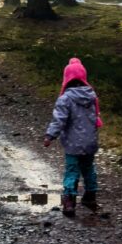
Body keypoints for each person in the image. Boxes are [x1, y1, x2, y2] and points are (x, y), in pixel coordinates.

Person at [42, 57, 103, 217]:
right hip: (90, 142)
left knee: (72, 170)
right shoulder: (91, 96)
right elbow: (95, 118)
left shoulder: (65, 99)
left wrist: (50, 136)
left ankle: (69, 201)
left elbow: (59, 120)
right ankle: (90, 196)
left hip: (73, 144)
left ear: (66, 78)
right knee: (89, 169)